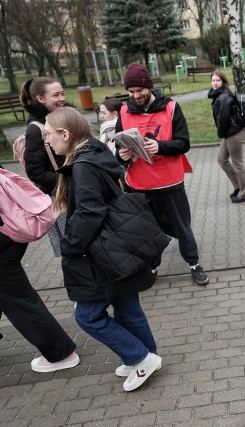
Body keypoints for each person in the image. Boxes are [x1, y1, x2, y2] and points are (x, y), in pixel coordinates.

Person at [47, 107, 162, 392]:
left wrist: (70, 246)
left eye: (49, 134)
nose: (47, 140)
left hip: (101, 249)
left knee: (88, 317)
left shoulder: (82, 165)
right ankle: (145, 356)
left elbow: (89, 212)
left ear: (65, 134)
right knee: (126, 304)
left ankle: (140, 357)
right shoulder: (94, 149)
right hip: (117, 243)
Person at [115, 63, 208, 286]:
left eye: (140, 90)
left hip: (169, 182)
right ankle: (152, 267)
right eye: (131, 92)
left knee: (182, 226)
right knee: (149, 231)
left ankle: (194, 264)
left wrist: (161, 147)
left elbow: (183, 143)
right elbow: (118, 147)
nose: (135, 95)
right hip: (139, 185)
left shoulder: (171, 108)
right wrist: (122, 155)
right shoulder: (124, 111)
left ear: (149, 87)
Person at [0, 165, 80, 373]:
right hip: (10, 236)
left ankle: (61, 353)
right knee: (13, 295)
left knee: (19, 301)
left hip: (4, 240)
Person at [19, 77, 68, 257]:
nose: (61, 98)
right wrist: (65, 180)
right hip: (60, 195)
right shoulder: (36, 129)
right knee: (70, 245)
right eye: (56, 95)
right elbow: (35, 171)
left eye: (62, 93)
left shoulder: (64, 117)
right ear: (41, 99)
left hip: (77, 189)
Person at [208, 70, 245, 203]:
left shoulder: (224, 97)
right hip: (228, 133)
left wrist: (220, 133)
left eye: (218, 80)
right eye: (213, 80)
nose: (215, 83)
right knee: (222, 159)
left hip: (234, 133)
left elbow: (223, 119)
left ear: (223, 82)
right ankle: (238, 186)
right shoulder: (218, 95)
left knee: (238, 163)